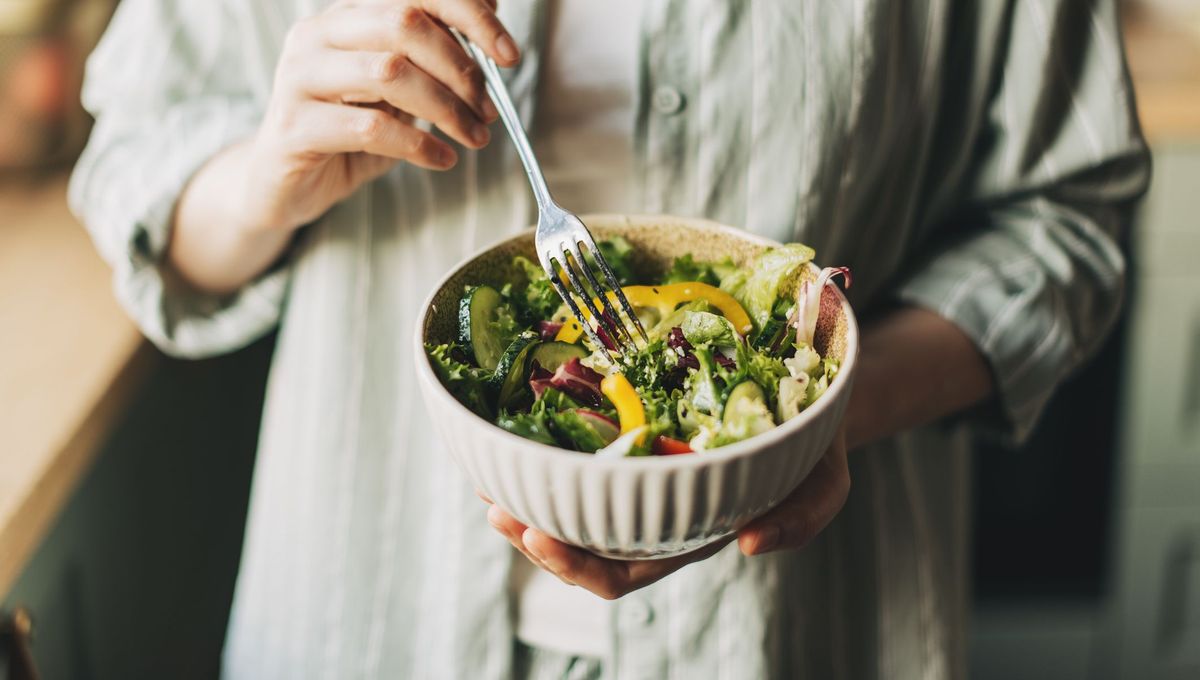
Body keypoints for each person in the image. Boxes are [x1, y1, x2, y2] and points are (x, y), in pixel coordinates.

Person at [70, 0, 1149, 677]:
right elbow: (136, 168)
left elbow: (1068, 218)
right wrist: (275, 170)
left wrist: (824, 414)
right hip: (368, 602)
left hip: (801, 623)